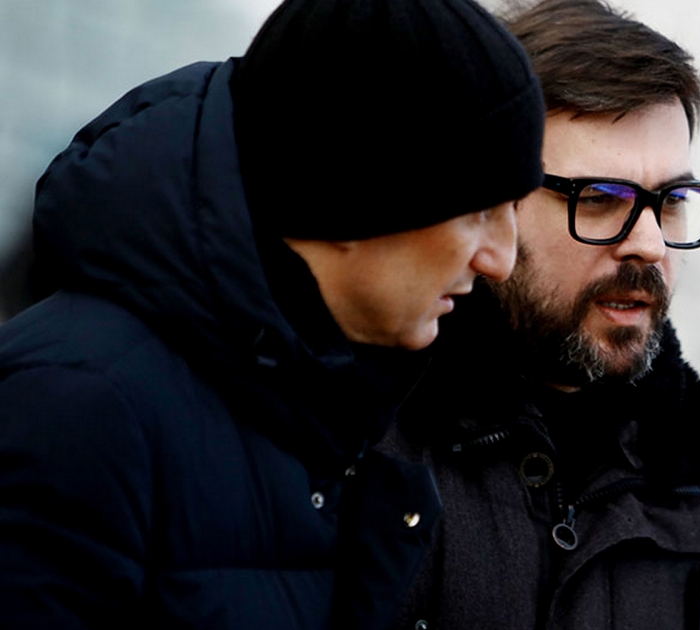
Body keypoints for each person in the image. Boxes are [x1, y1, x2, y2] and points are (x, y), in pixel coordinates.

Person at [0, 0, 545, 627]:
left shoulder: (318, 397)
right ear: (355, 198)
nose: (501, 260)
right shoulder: (75, 407)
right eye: (479, 210)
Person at [381, 1, 700, 628]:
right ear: (491, 203)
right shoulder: (363, 434)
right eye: (600, 198)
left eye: (672, 201)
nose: (649, 244)